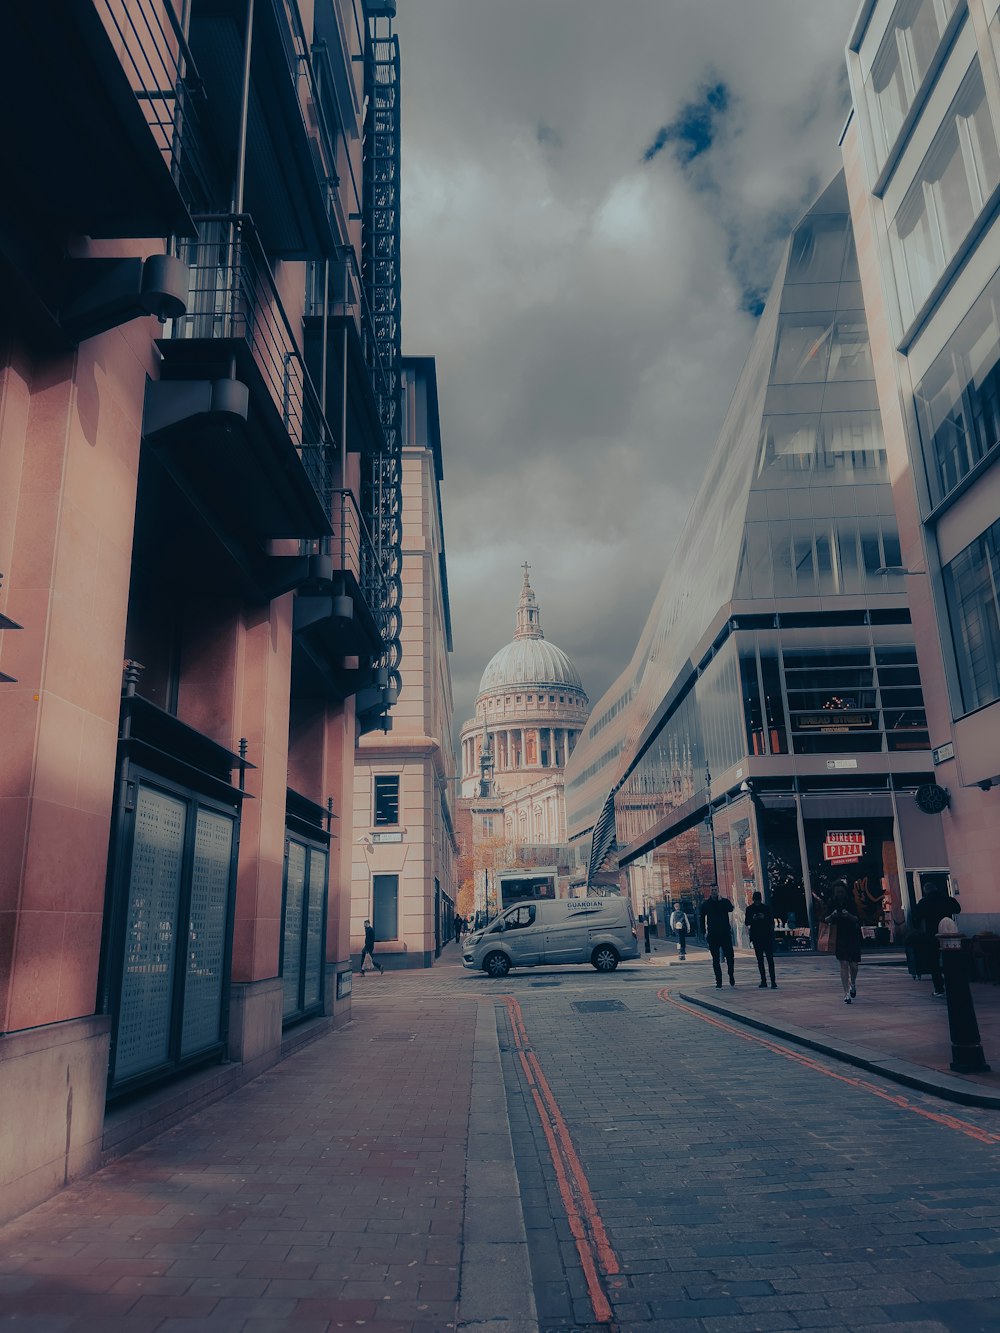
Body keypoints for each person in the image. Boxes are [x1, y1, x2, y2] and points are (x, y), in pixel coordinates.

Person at [910, 879, 961, 998]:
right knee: (951, 960)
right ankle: (954, 984)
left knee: (934, 962)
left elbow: (916, 918)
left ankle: (939, 988)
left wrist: (919, 929)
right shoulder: (947, 899)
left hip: (932, 934)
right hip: (949, 932)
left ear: (925, 891)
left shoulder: (924, 902)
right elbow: (957, 909)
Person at [825, 881, 862, 1004]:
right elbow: (825, 919)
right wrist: (832, 915)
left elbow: (857, 918)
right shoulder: (832, 903)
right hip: (839, 936)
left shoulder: (851, 902)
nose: (839, 894)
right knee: (843, 963)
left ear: (845, 891)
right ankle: (846, 993)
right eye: (837, 892)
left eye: (841, 891)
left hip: (852, 935)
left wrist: (849, 915)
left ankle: (853, 983)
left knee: (854, 965)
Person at [699, 886, 735, 988]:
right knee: (715, 959)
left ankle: (731, 974)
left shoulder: (724, 902)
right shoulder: (706, 904)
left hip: (725, 934)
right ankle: (718, 981)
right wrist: (703, 931)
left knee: (730, 956)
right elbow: (702, 917)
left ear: (718, 891)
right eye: (712, 890)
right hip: (713, 935)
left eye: (715, 890)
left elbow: (731, 909)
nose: (714, 892)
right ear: (710, 892)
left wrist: (722, 901)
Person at [745, 890, 777, 989]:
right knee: (760, 960)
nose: (757, 903)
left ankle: (773, 981)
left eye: (758, 901)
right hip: (756, 937)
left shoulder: (766, 908)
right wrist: (753, 918)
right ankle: (763, 980)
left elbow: (771, 921)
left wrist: (764, 917)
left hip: (766, 936)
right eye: (756, 901)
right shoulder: (749, 909)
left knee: (770, 959)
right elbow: (746, 922)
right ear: (753, 900)